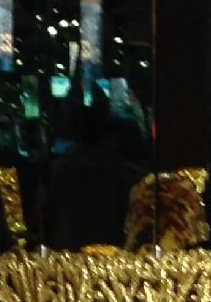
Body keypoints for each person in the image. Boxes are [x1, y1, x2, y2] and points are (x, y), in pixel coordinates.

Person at [48, 103, 141, 250]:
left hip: (70, 248)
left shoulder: (62, 166)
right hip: (107, 248)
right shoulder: (116, 166)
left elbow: (50, 212)